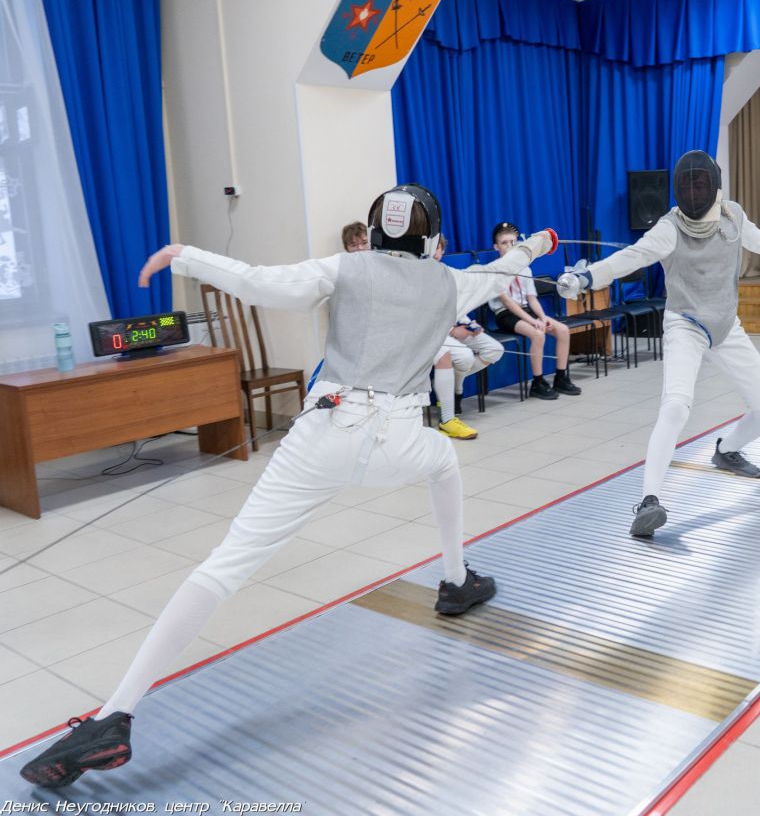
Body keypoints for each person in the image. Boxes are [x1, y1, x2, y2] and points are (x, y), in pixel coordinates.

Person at [19, 184, 558, 790]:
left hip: (323, 435)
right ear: (432, 239)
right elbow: (512, 262)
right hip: (400, 438)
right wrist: (542, 240)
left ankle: (114, 715)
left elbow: (259, 283)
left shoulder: (345, 266)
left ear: (375, 232)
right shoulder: (452, 282)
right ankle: (455, 580)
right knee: (443, 463)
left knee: (226, 565)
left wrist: (185, 256)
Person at [558, 150, 760, 538]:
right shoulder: (669, 228)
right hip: (685, 325)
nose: (693, 191)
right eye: (687, 185)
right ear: (678, 189)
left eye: (700, 183)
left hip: (725, 326)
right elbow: (629, 258)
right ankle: (649, 501)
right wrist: (585, 278)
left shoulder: (732, 215)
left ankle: (727, 450)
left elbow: (759, 240)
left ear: (714, 186)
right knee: (675, 406)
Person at [488, 221, 581, 400]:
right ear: (496, 246)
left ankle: (561, 377)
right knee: (538, 334)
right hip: (505, 314)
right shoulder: (494, 270)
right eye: (504, 243)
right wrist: (533, 322)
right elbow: (507, 302)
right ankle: (538, 383)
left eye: (513, 242)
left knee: (563, 330)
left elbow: (531, 298)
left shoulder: (525, 268)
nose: (509, 246)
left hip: (525, 311)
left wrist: (542, 317)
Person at [431, 234, 504, 439]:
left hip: (456, 325)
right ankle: (451, 404)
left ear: (443, 251)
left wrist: (470, 324)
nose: (434, 253)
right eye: (431, 248)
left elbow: (458, 304)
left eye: (438, 248)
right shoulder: (419, 276)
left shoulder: (449, 273)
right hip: (436, 333)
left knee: (494, 349)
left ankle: (451, 387)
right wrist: (451, 331)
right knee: (464, 357)